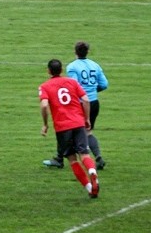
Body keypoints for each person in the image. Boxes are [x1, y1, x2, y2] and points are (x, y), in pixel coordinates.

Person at [39, 59, 99, 198]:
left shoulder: (45, 86)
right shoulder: (72, 82)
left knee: (72, 159)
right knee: (84, 154)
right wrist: (87, 118)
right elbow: (85, 99)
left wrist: (45, 124)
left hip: (62, 127)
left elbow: (43, 105)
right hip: (78, 123)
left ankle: (90, 188)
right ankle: (92, 171)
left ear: (48, 71)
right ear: (61, 70)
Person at [43, 41, 109, 170]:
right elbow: (104, 84)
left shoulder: (72, 67)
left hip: (79, 103)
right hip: (94, 102)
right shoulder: (95, 65)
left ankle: (59, 159)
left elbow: (74, 86)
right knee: (88, 132)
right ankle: (98, 157)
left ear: (75, 52)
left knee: (64, 128)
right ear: (87, 52)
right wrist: (93, 91)